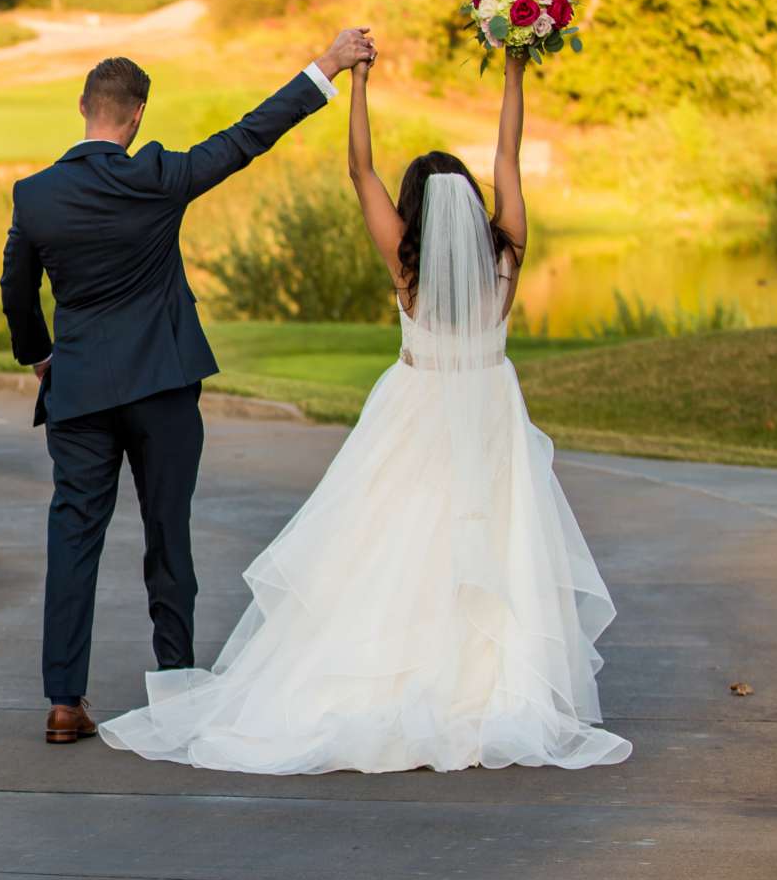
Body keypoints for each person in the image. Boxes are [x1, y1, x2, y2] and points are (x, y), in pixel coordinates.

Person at [94, 51, 632, 773]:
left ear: (415, 211)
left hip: (416, 412)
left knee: (394, 542)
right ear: (471, 204)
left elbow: (361, 172)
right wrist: (513, 73)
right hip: (491, 412)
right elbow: (508, 156)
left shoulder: (404, 260)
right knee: (493, 546)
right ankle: (487, 688)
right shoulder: (509, 253)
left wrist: (361, 87)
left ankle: (394, 672)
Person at [0, 31, 373, 745]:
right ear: (137, 115)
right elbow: (247, 137)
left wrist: (40, 355)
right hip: (164, 385)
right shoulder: (159, 176)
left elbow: (16, 290)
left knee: (73, 537)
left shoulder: (36, 195)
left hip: (78, 390)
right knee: (168, 533)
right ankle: (177, 684)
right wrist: (327, 66)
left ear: (84, 107)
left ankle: (63, 701)